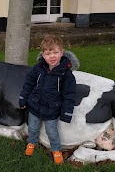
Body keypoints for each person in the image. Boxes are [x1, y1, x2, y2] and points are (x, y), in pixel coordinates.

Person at [19, 34, 77, 165]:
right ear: (43, 55)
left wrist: (67, 112)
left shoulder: (66, 74)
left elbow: (69, 94)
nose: (52, 56)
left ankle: (56, 149)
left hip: (52, 109)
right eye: (48, 53)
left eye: (55, 52)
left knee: (52, 131)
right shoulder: (37, 69)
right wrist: (23, 98)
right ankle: (31, 143)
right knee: (33, 128)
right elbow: (28, 84)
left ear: (61, 53)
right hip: (34, 106)